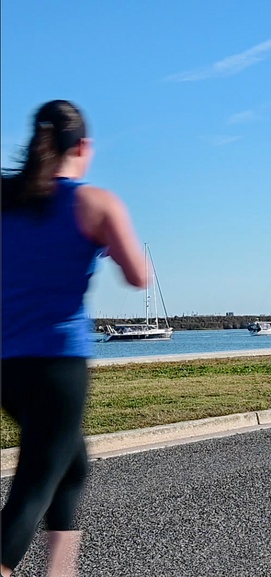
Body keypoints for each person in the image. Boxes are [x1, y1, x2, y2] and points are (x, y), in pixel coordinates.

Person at [1, 100, 147, 577]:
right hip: (57, 366)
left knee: (72, 464)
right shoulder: (95, 203)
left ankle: (61, 572)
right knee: (34, 486)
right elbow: (138, 276)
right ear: (83, 146)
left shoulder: (9, 202)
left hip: (7, 365)